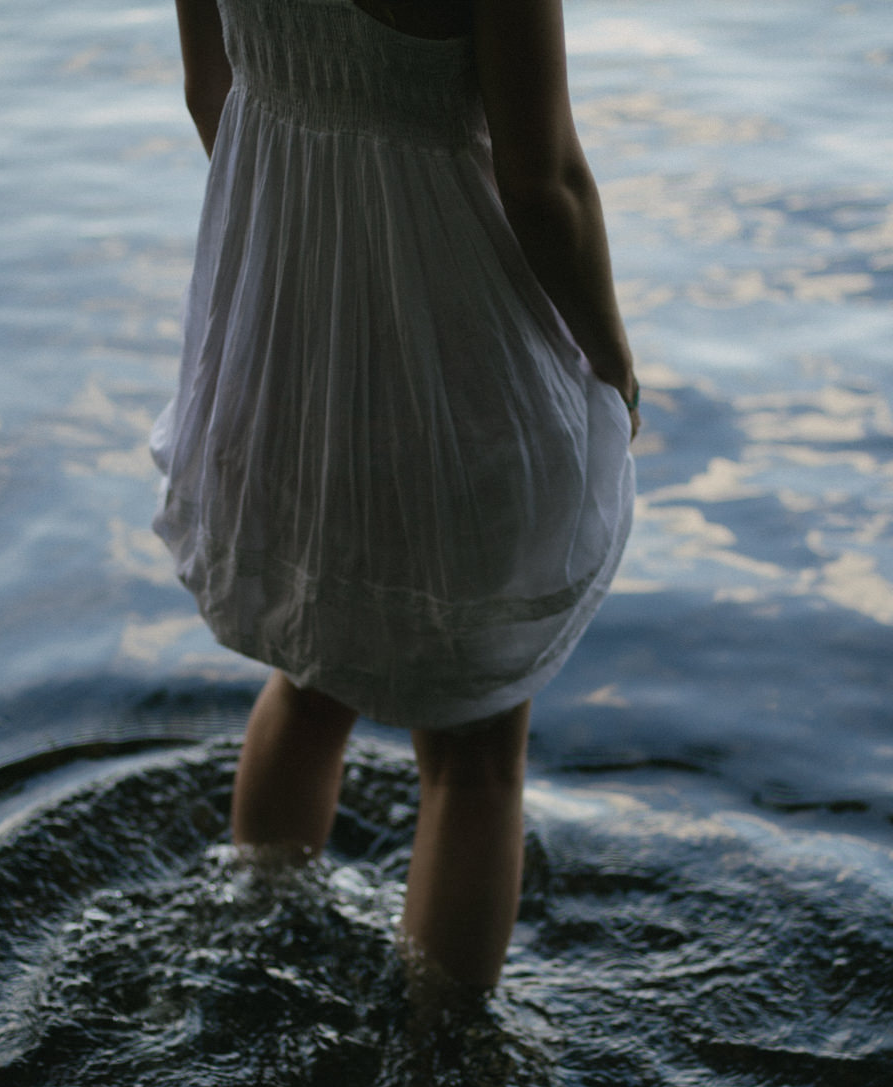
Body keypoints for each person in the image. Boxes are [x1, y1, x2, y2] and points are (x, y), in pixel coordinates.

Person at [153, 0, 639, 988]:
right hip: (461, 375)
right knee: (474, 757)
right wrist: (614, 362)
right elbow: (544, 187)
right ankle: (439, 1066)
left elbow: (213, 93)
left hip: (286, 352)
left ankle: (252, 948)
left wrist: (311, 263)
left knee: (311, 671)